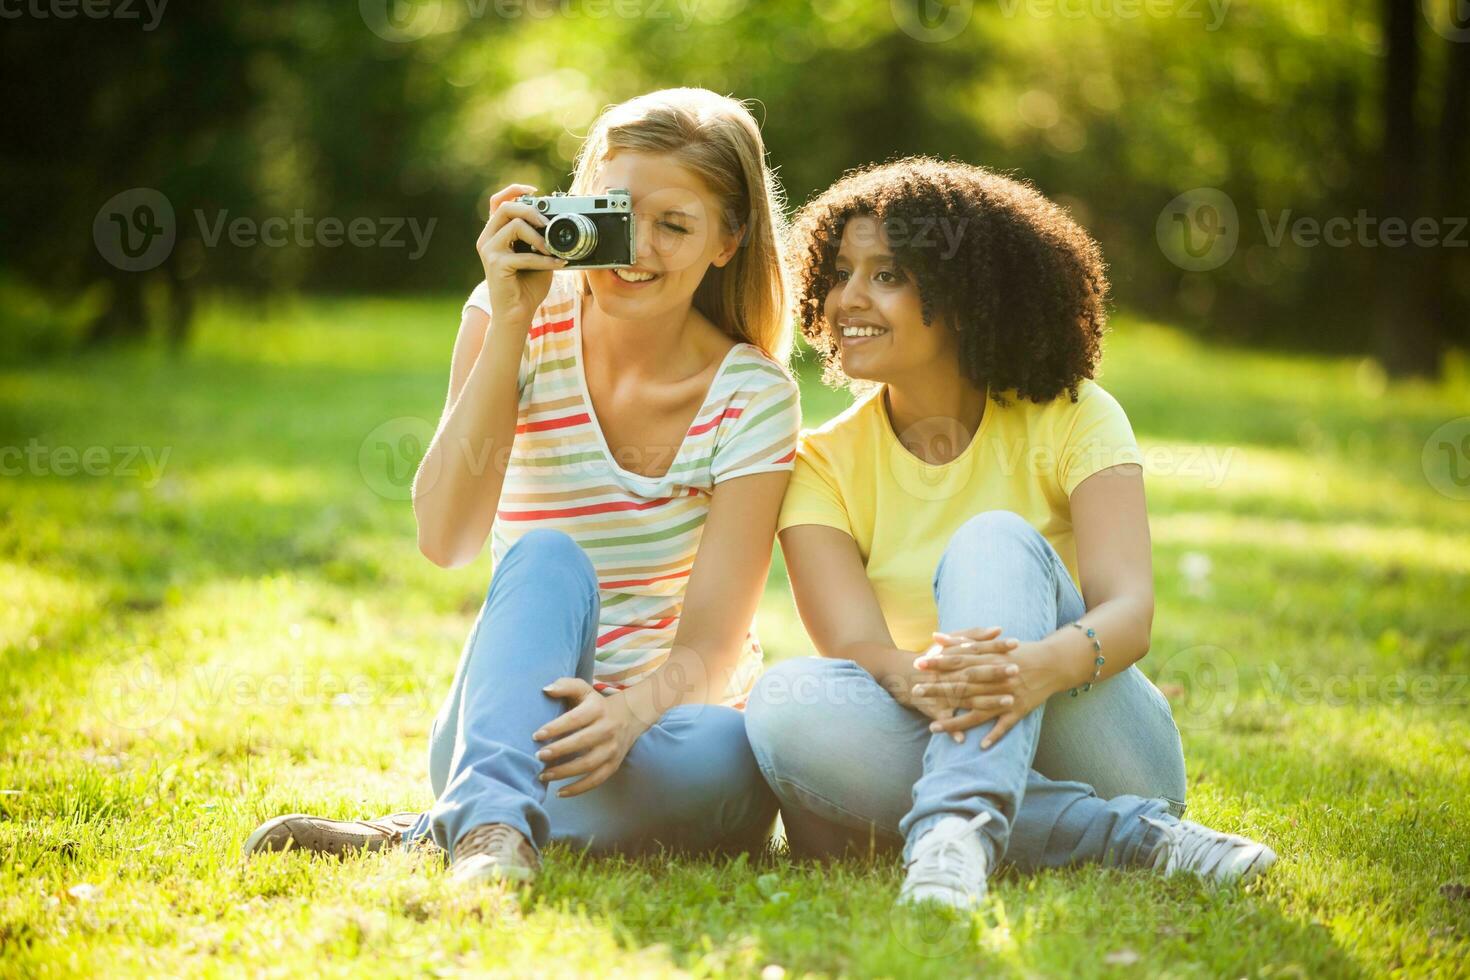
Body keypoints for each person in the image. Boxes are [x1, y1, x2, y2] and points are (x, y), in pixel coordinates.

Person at [244, 89, 801, 887]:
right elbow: (446, 540)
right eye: (615, 213)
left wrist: (626, 714)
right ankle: (495, 827)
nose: (632, 250)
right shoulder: (516, 321)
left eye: (673, 225)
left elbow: (712, 649)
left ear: (728, 240)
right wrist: (509, 322)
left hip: (662, 736)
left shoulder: (752, 394)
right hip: (509, 727)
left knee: (734, 761)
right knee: (544, 557)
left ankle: (445, 828)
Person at [745, 157, 1276, 910]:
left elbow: (1129, 614)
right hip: (933, 715)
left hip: (1099, 738)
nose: (846, 299)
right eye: (838, 273)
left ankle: (952, 821)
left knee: (993, 537)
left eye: (887, 274)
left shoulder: (1077, 415)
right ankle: (1120, 839)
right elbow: (859, 649)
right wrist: (944, 681)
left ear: (965, 296)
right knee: (781, 703)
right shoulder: (822, 463)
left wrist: (1030, 670)